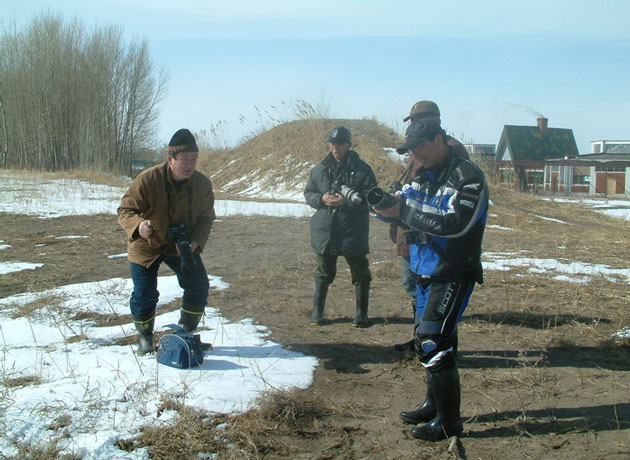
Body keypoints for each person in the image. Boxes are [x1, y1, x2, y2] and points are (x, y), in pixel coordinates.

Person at [373, 118, 488, 441]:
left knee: (432, 340)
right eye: (411, 149)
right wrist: (382, 204)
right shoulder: (421, 174)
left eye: (421, 146)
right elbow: (398, 205)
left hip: (453, 269)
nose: (416, 154)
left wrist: (405, 211)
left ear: (440, 139)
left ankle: (449, 423)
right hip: (422, 269)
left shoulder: (469, 176)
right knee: (433, 342)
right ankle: (432, 405)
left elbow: (457, 224)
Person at [118, 128, 216, 355]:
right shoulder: (147, 179)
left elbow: (206, 217)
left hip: (180, 245)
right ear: (170, 159)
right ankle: (144, 337)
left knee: (198, 285)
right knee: (145, 293)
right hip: (146, 243)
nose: (190, 165)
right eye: (184, 160)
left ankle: (185, 334)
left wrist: (195, 242)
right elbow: (125, 210)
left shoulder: (202, 184)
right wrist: (139, 226)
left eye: (194, 159)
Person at [393, 100, 469, 351]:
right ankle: (421, 340)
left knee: (439, 296)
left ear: (435, 119)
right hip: (411, 232)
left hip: (435, 236)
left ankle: (440, 344)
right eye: (412, 121)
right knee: (414, 286)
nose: (414, 124)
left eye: (418, 119)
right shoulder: (418, 146)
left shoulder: (452, 150)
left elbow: (450, 200)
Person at [304, 126, 378, 327]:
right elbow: (308, 193)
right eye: (332, 143)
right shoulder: (318, 169)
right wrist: (322, 198)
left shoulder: (363, 169)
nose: (335, 147)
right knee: (322, 271)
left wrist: (345, 202)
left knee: (361, 271)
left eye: (340, 144)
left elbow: (372, 197)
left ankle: (361, 314)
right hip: (325, 229)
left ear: (349, 145)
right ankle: (317, 313)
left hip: (352, 229)